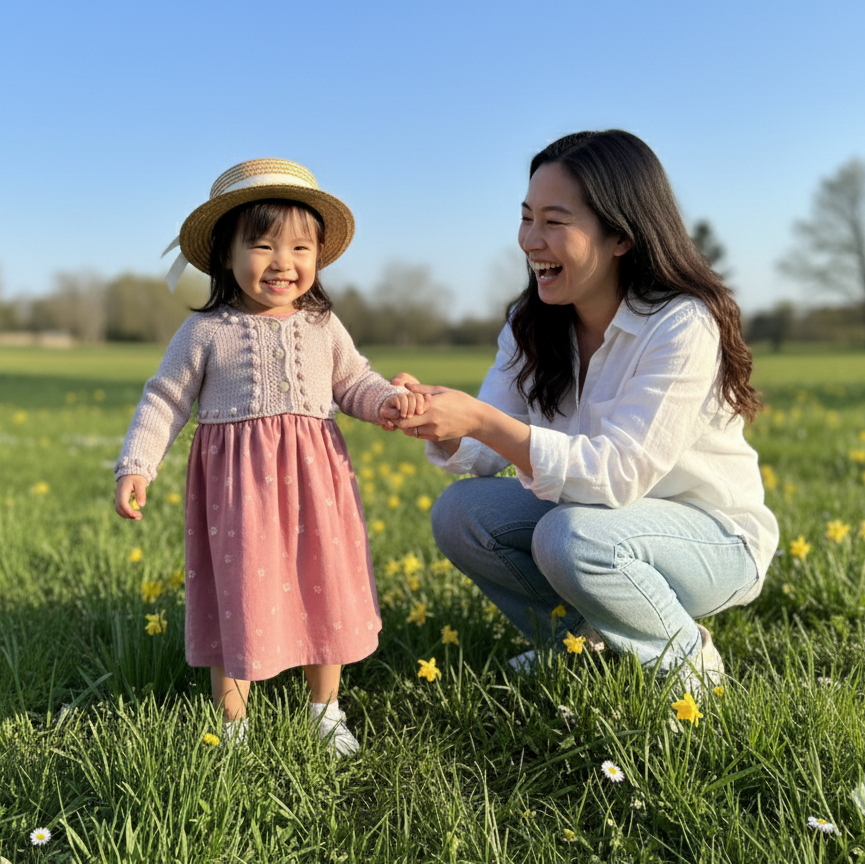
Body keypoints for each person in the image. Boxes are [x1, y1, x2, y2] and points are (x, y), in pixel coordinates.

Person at [388, 130, 779, 692]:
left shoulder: (680, 323)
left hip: (713, 540)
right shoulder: (533, 321)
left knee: (572, 537)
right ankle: (580, 644)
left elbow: (619, 474)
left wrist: (480, 420)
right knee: (461, 513)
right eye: (526, 218)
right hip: (597, 525)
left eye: (554, 221)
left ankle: (691, 671)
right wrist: (440, 419)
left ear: (620, 235)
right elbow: (479, 445)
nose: (530, 240)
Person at [115, 158, 426, 755]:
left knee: (323, 583)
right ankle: (232, 724)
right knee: (238, 591)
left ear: (318, 257)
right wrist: (137, 462)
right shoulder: (205, 332)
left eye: (301, 248)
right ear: (225, 256)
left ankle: (325, 710)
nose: (284, 263)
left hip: (318, 484)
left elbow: (354, 381)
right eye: (262, 245)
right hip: (239, 492)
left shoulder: (324, 325)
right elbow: (166, 398)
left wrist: (387, 401)